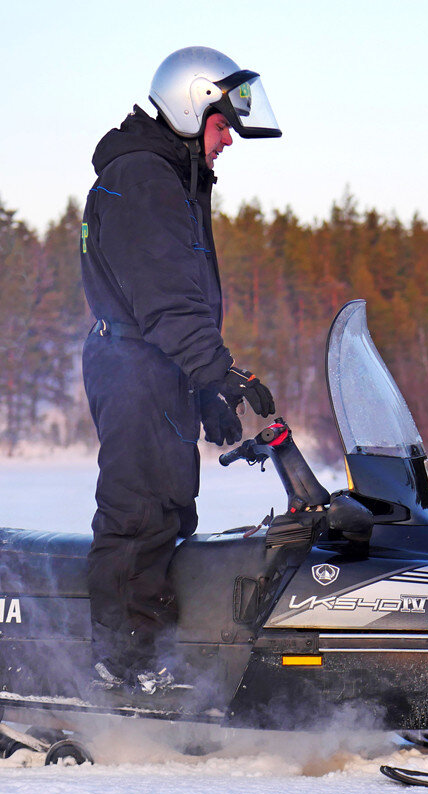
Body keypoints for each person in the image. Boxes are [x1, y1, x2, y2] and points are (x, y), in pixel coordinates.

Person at [81, 47, 282, 696]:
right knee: (138, 510)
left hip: (155, 367)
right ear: (191, 109)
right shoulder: (144, 178)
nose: (227, 142)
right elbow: (167, 299)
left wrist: (201, 383)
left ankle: (152, 657)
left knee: (169, 508)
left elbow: (178, 300)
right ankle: (120, 667)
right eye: (223, 127)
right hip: (134, 366)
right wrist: (216, 373)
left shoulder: (172, 176)